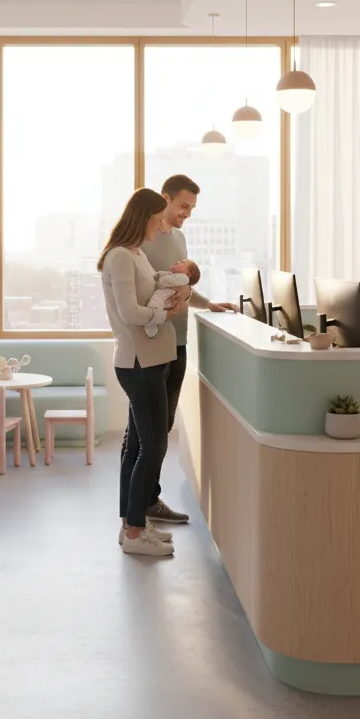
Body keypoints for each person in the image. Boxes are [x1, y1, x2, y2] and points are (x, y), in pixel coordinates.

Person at [137, 174, 238, 525]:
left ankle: (147, 499)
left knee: (162, 427)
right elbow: (139, 290)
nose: (187, 214)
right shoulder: (141, 239)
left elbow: (182, 285)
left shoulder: (179, 238)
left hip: (177, 345)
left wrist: (208, 303)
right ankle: (137, 505)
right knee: (141, 433)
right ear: (165, 199)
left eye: (192, 208)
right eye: (183, 206)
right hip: (149, 345)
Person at [99, 188, 186, 557]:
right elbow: (129, 312)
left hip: (151, 361)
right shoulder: (120, 256)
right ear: (145, 217)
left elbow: (155, 286)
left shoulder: (136, 254)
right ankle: (136, 532)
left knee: (136, 447)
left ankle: (130, 525)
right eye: (158, 218)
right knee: (154, 447)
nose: (161, 225)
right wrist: (166, 313)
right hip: (139, 363)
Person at [144, 259, 201, 338]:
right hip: (164, 294)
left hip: (167, 298)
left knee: (155, 301)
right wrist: (159, 275)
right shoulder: (173, 274)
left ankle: (151, 322)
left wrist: (161, 280)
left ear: (187, 273)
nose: (178, 262)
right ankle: (153, 320)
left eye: (182, 262)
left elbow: (169, 280)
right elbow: (165, 274)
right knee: (157, 301)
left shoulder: (184, 278)